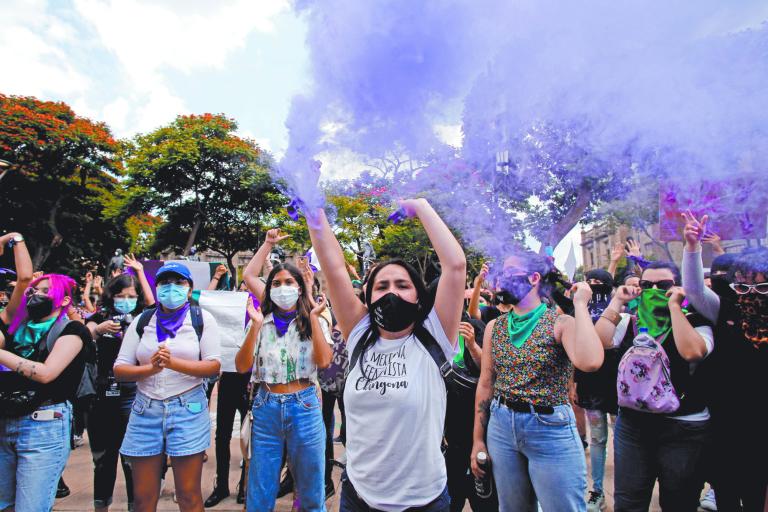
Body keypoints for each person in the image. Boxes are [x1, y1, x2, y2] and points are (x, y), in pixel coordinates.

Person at [307, 198, 466, 512]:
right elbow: (333, 266)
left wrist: (420, 207)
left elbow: (456, 266)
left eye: (402, 285)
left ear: (419, 298)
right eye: (381, 286)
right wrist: (313, 206)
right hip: (359, 497)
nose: (391, 292)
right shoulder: (359, 333)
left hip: (424, 501)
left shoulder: (435, 334)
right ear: (367, 296)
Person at [470, 251, 604, 512]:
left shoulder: (560, 322)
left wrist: (579, 305)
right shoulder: (494, 327)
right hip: (501, 427)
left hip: (550, 429)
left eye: (509, 274)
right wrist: (478, 439)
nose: (501, 282)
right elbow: (486, 383)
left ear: (533, 278)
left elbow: (590, 361)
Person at [595, 259, 714, 512]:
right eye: (647, 284)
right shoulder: (630, 320)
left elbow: (692, 352)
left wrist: (675, 307)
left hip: (683, 426)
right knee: (628, 503)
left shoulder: (697, 320)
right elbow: (601, 341)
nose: (654, 290)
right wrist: (617, 301)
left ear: (679, 286)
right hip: (633, 425)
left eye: (664, 285)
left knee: (679, 502)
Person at [236, 234, 333, 512]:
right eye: (276, 283)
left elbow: (324, 361)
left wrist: (314, 318)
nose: (282, 288)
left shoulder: (311, 320)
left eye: (289, 283)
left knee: (311, 495)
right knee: (260, 495)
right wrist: (254, 326)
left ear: (300, 288)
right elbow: (242, 366)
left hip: (304, 406)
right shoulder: (261, 322)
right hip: (265, 408)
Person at [114, 262, 221, 512]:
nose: (171, 288)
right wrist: (150, 369)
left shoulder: (202, 319)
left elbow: (213, 366)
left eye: (179, 283)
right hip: (145, 410)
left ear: (189, 288)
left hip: (187, 409)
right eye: (164, 283)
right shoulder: (143, 321)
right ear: (157, 287)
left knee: (188, 495)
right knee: (143, 498)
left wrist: (173, 363)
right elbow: (120, 369)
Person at [681, 212, 767, 511]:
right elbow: (693, 289)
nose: (752, 295)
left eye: (762, 288)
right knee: (727, 491)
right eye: (743, 287)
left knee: (756, 493)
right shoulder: (727, 308)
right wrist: (692, 247)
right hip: (726, 420)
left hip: (763, 424)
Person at [0, 266, 93, 512]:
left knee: (30, 507)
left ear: (63, 300)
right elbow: (21, 279)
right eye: (33, 290)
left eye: (44, 291)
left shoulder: (72, 330)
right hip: (4, 422)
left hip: (43, 426)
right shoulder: (14, 329)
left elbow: (46, 373)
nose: (35, 296)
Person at [85, 269, 154, 512]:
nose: (127, 300)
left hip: (133, 394)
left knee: (133, 459)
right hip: (102, 395)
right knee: (103, 459)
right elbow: (83, 335)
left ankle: (135, 506)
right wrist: (98, 330)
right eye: (122, 295)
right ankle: (101, 506)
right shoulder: (99, 318)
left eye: (132, 295)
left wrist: (140, 273)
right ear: (111, 295)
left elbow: (153, 304)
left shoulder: (142, 319)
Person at [574, 268, 621, 511]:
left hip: (618, 383)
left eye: (599, 281)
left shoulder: (620, 307)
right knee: (598, 439)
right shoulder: (580, 310)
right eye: (589, 281)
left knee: (622, 436)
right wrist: (573, 382)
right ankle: (598, 491)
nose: (593, 284)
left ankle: (624, 487)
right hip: (590, 383)